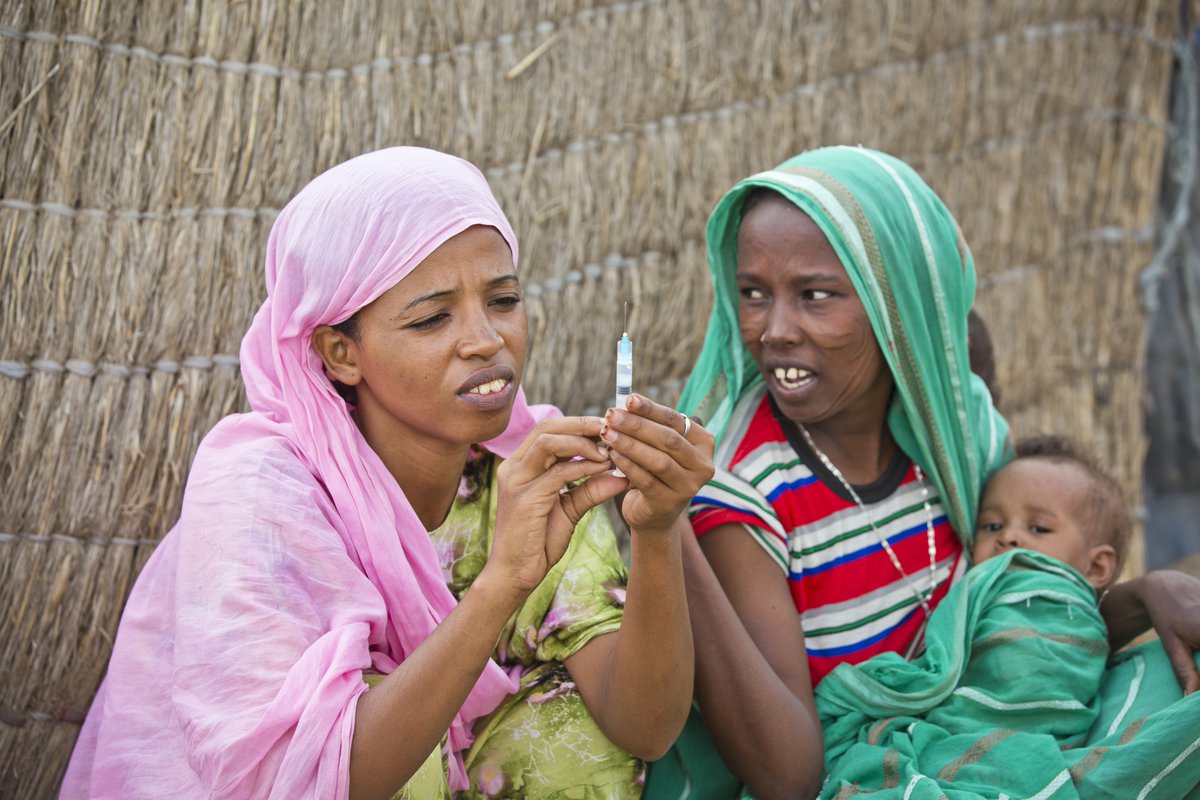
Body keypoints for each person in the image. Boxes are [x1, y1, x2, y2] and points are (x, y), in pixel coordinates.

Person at [60, 147, 713, 799]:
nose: (486, 340)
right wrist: (503, 583)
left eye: (504, 299)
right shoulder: (267, 495)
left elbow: (645, 729)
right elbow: (304, 779)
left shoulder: (528, 471)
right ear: (342, 352)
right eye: (432, 317)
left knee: (562, 726)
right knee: (382, 727)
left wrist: (656, 531)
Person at [644, 146, 1200, 800]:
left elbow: (1018, 630)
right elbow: (787, 777)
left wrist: (1145, 596)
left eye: (816, 296)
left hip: (985, 739)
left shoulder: (957, 434)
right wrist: (668, 525)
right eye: (753, 294)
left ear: (896, 303)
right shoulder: (740, 488)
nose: (774, 330)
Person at [817, 435, 1200, 798]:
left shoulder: (1085, 615)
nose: (1009, 538)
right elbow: (942, 665)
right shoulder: (977, 591)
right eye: (993, 526)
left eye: (1038, 527)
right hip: (961, 738)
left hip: (1062, 743)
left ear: (1097, 566)